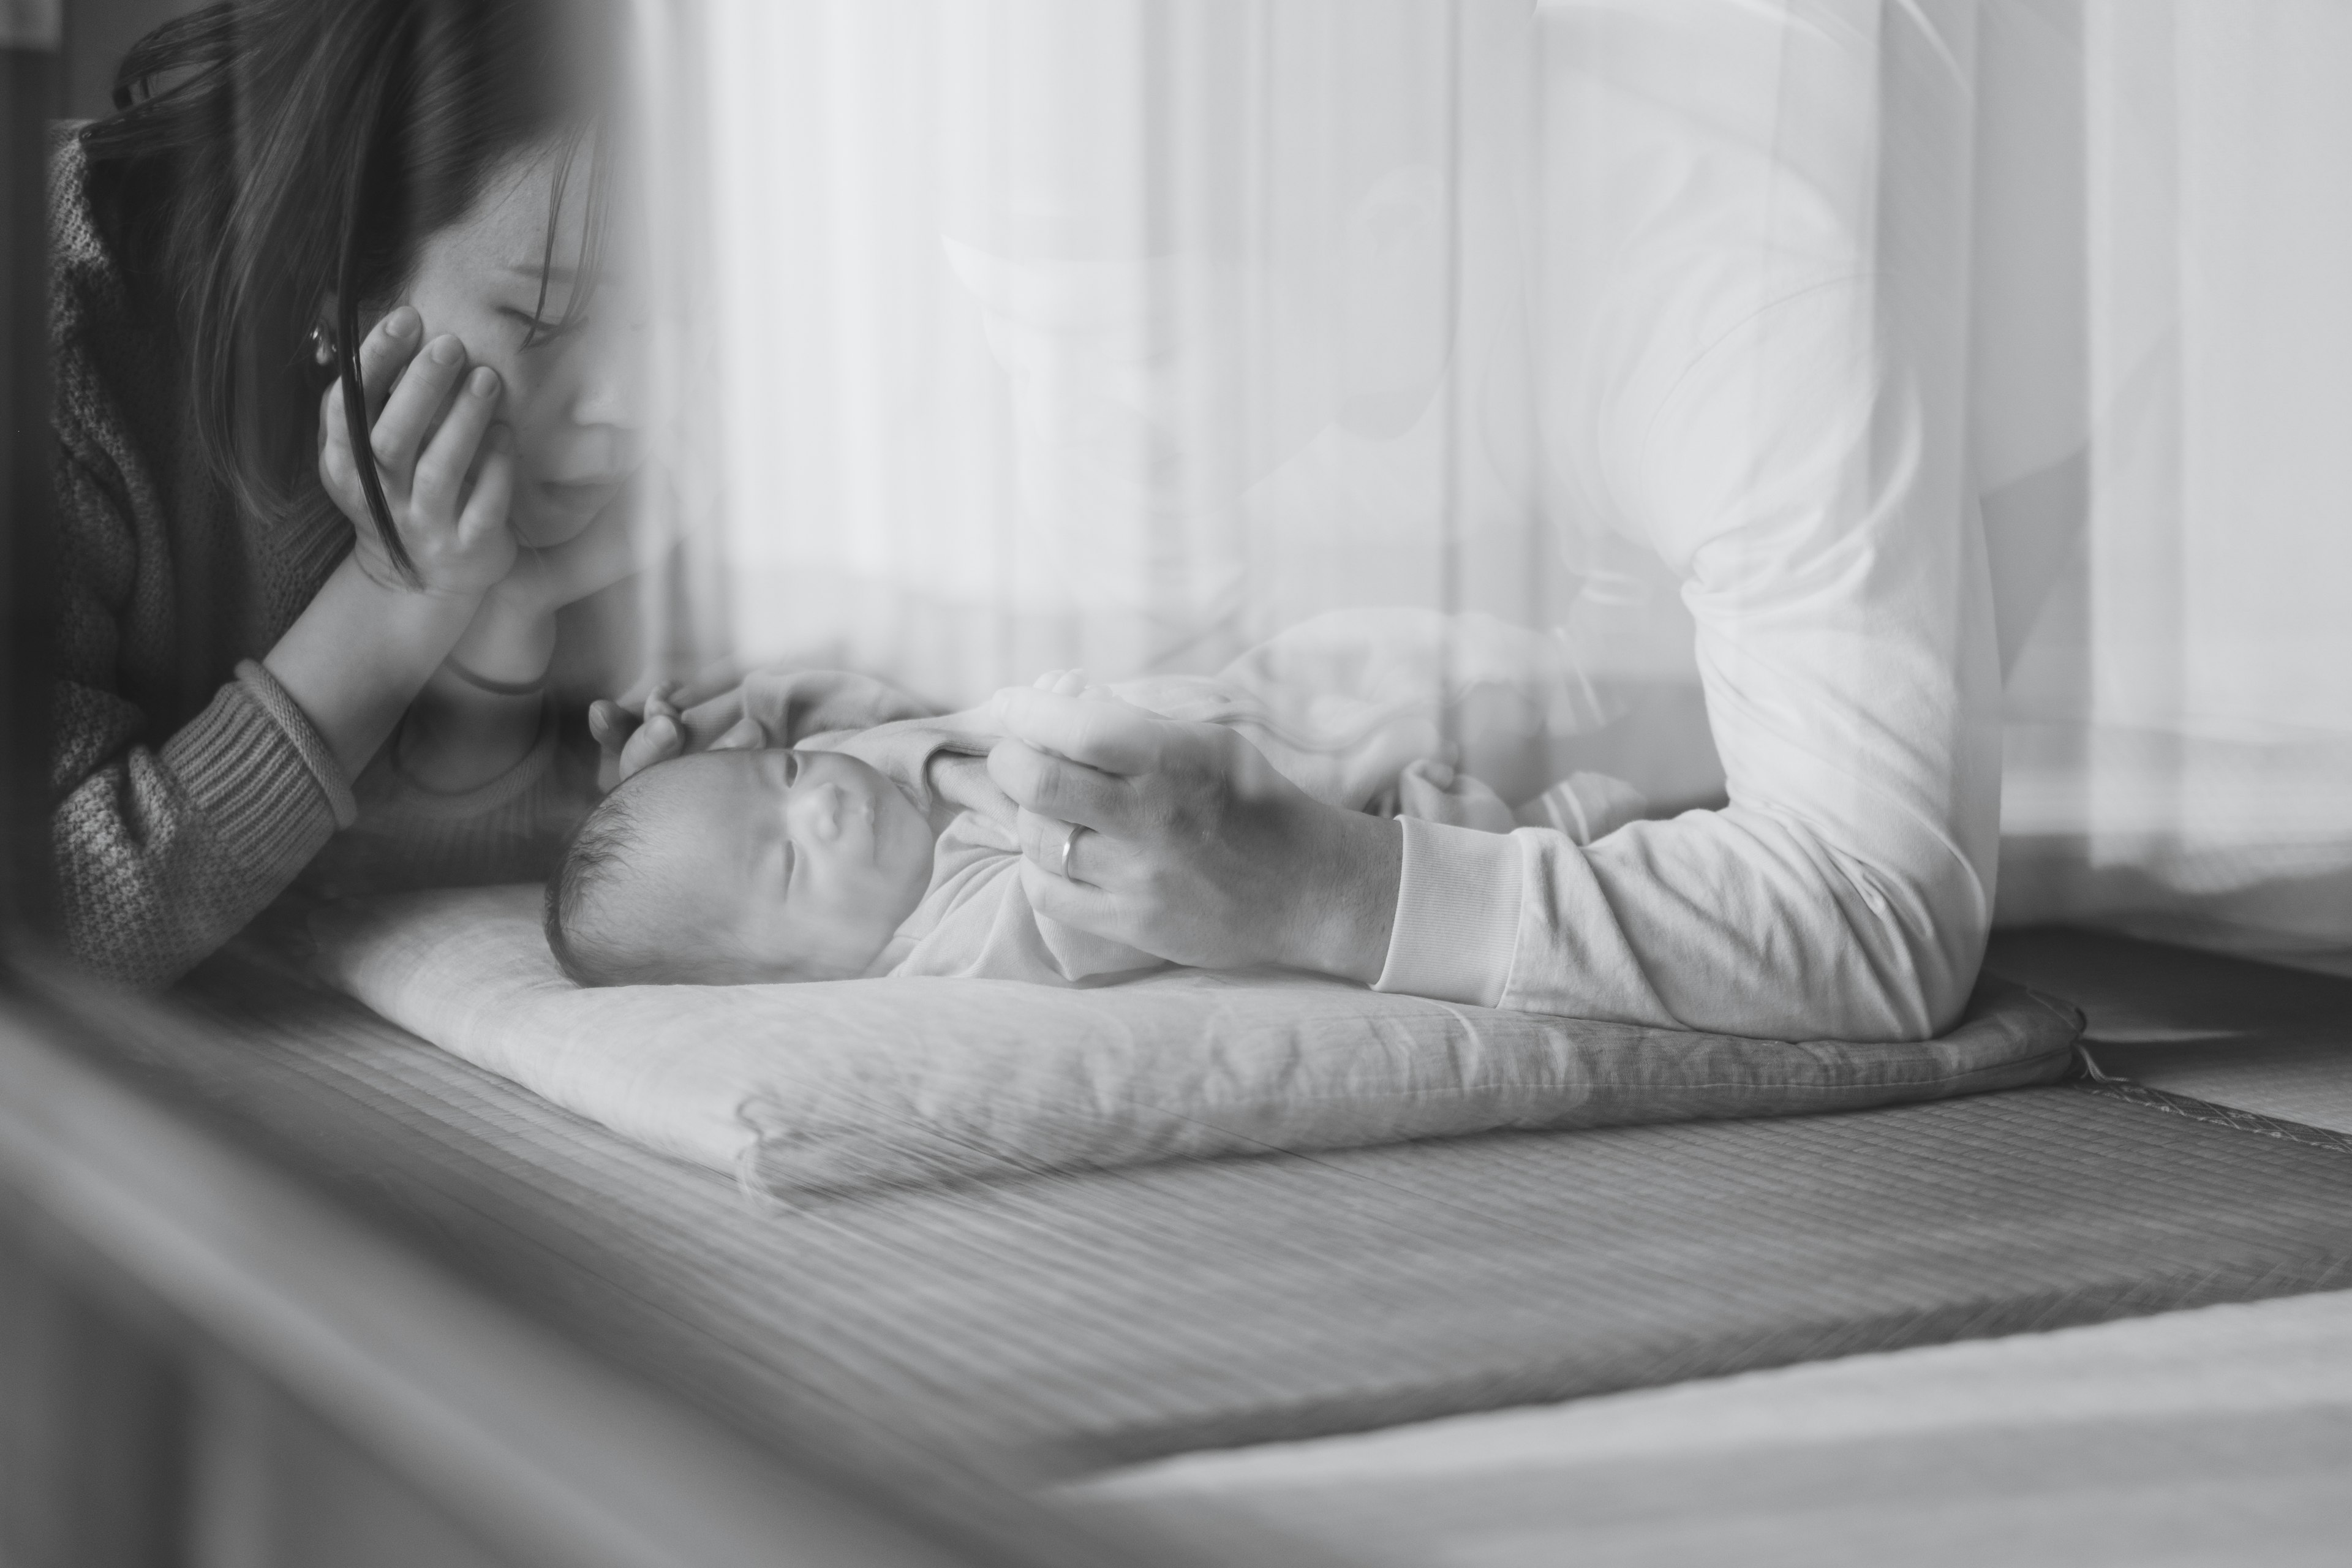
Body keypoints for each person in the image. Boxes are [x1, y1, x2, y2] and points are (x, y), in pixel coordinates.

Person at [970, 1, 2003, 1044]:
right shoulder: (1197, 335)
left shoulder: (1737, 314)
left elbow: (1885, 912)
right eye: (1008, 339)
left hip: (2021, 267)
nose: (1057, 433)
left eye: (1139, 351)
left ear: (1391, 244)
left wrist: (1325, 889)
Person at [50, 0, 654, 986]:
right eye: (547, 319)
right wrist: (392, 602)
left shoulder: (656, 440)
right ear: (323, 270)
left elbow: (498, 877)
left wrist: (504, 621)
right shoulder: (55, 349)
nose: (633, 403)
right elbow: (54, 930)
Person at [549, 670, 1646, 987]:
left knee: (1484, 678)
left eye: (781, 774)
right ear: (793, 982)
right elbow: (1102, 897)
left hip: (1285, 701)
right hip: (1351, 817)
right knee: (1545, 816)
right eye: (785, 861)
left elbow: (856, 717)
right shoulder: (948, 939)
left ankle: (1594, 687)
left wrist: (762, 724)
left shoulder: (875, 796)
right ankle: (1602, 797)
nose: (820, 801)